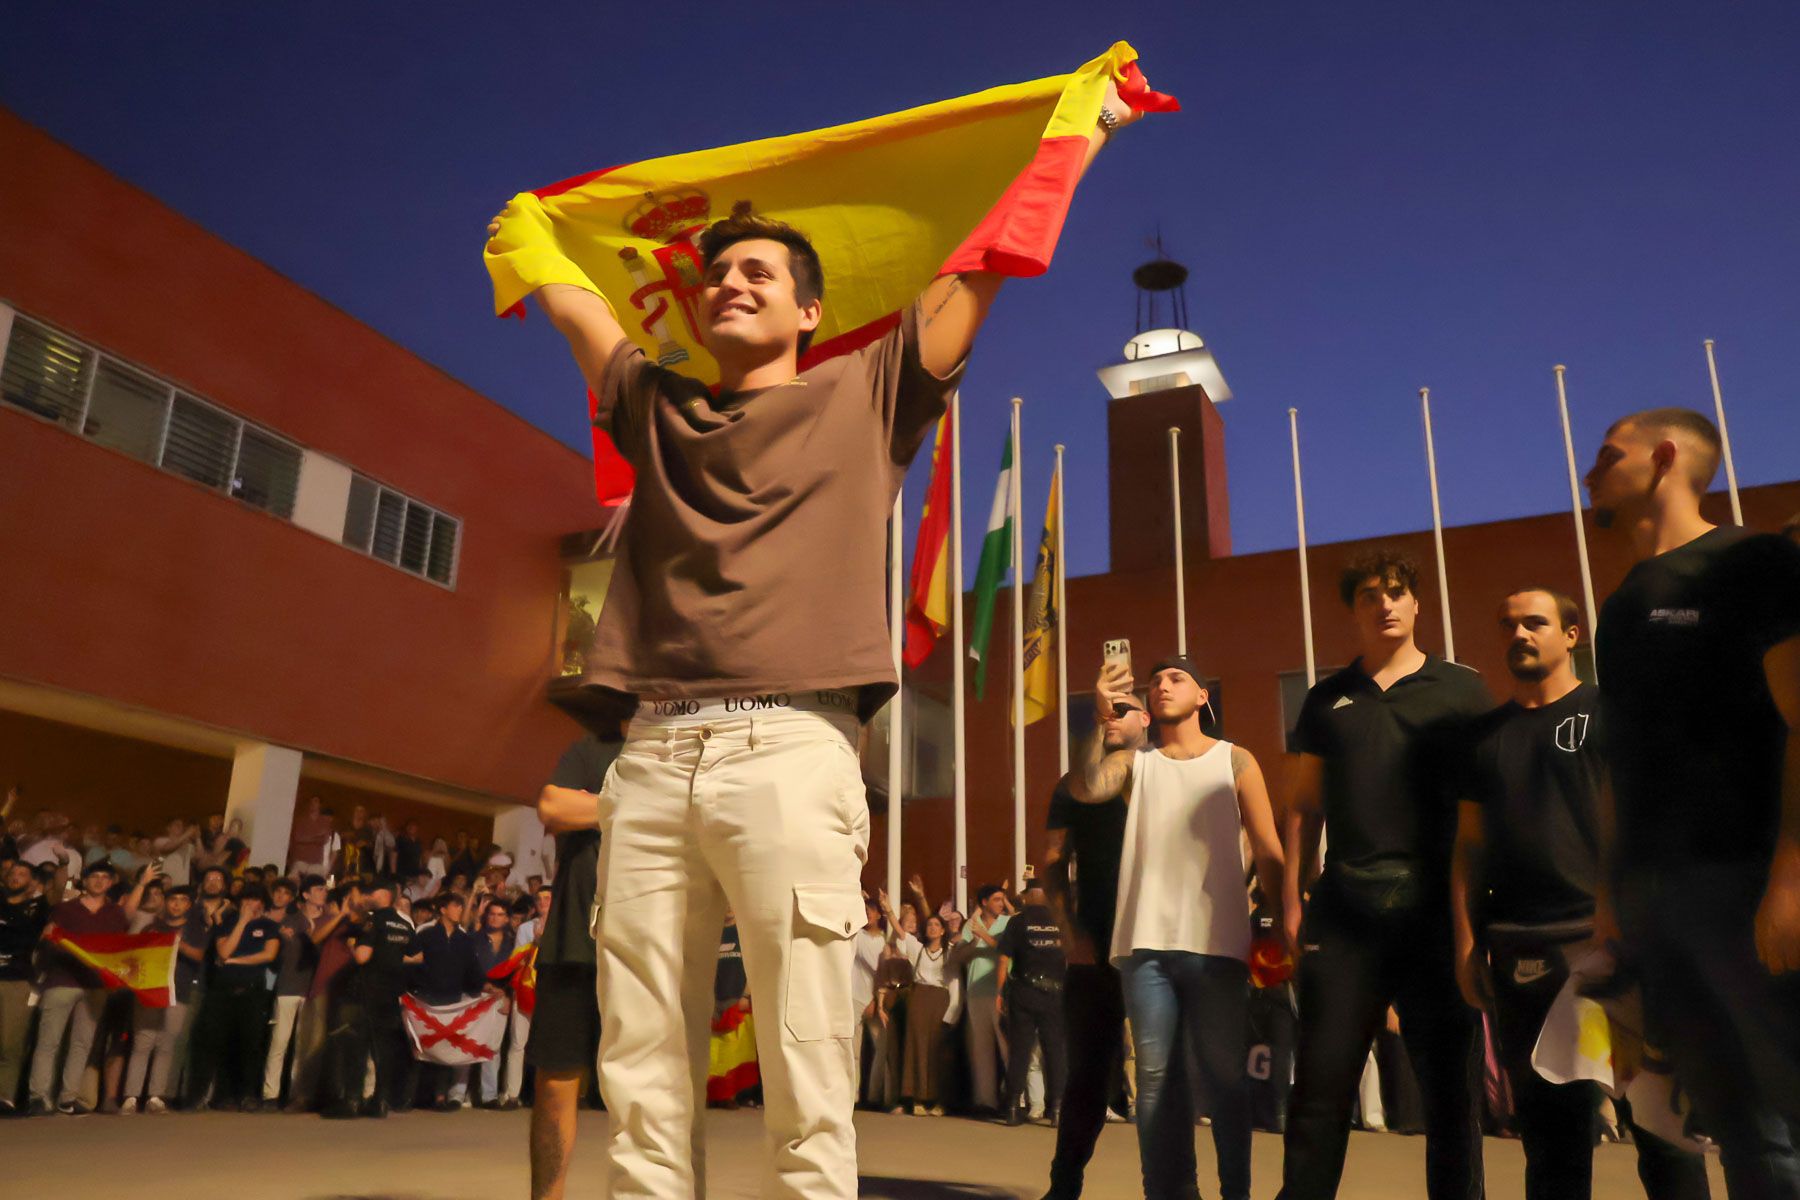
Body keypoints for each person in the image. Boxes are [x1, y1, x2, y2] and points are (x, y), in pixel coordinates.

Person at [487, 67, 1155, 1194]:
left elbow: (988, 262)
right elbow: (573, 306)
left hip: (790, 751)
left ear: (811, 311)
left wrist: (1077, 134)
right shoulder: (656, 404)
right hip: (649, 759)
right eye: (717, 274)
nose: (730, 283)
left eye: (760, 272)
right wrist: (528, 236)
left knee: (805, 1058)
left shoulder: (872, 388)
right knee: (640, 1070)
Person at [1584, 407, 1800, 1193]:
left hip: (1746, 885)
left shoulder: (1754, 562)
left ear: (1666, 457)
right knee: (1736, 1123)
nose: (1590, 473)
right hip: (1655, 900)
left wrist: (1790, 877)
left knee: (1786, 1112)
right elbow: (1620, 761)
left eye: (1609, 455)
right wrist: (1609, 898)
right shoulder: (1621, 604)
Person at [1451, 587, 1711, 1200]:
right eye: (1508, 624)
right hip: (1525, 952)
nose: (1519, 634)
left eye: (1534, 623)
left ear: (1571, 636)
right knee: (1552, 1148)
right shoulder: (1483, 737)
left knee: (1662, 1138)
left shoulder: (1612, 712)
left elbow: (1658, 821)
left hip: (1621, 947)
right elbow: (1468, 848)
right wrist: (1464, 944)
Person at [1278, 549, 1493, 1200]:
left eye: (1396, 592)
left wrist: (1479, 916)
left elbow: (1484, 809)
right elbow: (1304, 805)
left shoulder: (1463, 691)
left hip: (1435, 911)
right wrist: (1291, 899)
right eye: (1369, 595)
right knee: (1320, 1088)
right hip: (1345, 910)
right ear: (1354, 611)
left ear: (1417, 604)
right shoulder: (1326, 699)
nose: (1385, 604)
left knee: (1450, 1096)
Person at [1076, 654, 1286, 1200]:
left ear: (1203, 696)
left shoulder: (1235, 760)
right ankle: (1169, 1192)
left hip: (1217, 944)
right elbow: (1088, 786)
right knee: (1154, 1082)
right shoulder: (1136, 763)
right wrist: (1100, 718)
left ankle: (1236, 1192)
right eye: (1156, 682)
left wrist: (1285, 921)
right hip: (1145, 945)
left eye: (1177, 679)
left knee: (1224, 1077)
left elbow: (1268, 848)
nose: (1163, 686)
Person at [1040, 693, 1149, 1199]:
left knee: (1166, 1072)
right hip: (1096, 944)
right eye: (1105, 710)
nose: (1111, 715)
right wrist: (1070, 933)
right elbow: (1052, 861)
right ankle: (1064, 1186)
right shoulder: (1074, 785)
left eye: (1124, 709)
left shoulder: (1167, 774)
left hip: (1158, 943)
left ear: (1146, 718)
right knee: (1087, 1073)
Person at [532, 729, 625, 1200]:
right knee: (556, 1083)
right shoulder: (593, 750)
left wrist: (595, 806)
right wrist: (642, 807)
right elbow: (553, 805)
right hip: (572, 940)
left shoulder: (682, 750)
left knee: (647, 1092)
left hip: (646, 945)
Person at [27, 859, 149, 1114]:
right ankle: (38, 1096)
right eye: (95, 876)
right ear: (84, 880)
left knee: (82, 1043)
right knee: (49, 1041)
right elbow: (48, 936)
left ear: (111, 883)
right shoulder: (65, 909)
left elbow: (127, 921)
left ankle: (67, 1097)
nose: (99, 881)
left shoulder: (114, 913)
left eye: (105, 877)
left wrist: (141, 884)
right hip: (62, 980)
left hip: (95, 985)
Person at [324, 878, 420, 1118]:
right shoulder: (403, 924)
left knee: (357, 1047)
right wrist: (391, 957)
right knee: (384, 1050)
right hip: (392, 993)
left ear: (383, 894)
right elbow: (417, 955)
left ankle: (352, 1101)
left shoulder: (373, 922)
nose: (367, 897)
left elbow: (362, 957)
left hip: (367, 991)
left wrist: (353, 946)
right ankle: (380, 1101)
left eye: (371, 893)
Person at [185, 883, 282, 1111]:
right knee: (218, 1041)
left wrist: (237, 961)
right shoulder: (228, 923)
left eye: (255, 899)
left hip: (253, 989)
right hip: (223, 989)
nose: (250, 904)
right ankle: (221, 1095)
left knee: (250, 1043)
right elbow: (224, 951)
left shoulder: (269, 926)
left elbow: (268, 954)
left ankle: (248, 1094)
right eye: (246, 899)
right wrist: (242, 922)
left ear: (262, 903)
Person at [121, 883, 202, 1113]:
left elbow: (199, 955)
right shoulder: (152, 927)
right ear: (166, 903)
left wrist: (178, 942)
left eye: (182, 900)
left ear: (189, 905)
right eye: (173, 900)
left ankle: (155, 1096)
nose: (177, 904)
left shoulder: (195, 930)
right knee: (143, 1041)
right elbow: (136, 956)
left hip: (178, 991)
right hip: (150, 990)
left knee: (166, 1044)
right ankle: (131, 1096)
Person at [996, 882, 1068, 1127]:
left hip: (1024, 991)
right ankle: (1057, 1109)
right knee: (1055, 1052)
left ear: (1027, 897)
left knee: (1020, 1051)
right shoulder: (1061, 921)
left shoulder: (1017, 922)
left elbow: (1003, 959)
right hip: (1054, 993)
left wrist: (999, 993)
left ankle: (1013, 1108)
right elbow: (1069, 957)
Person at [958, 883, 1016, 1114]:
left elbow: (1006, 950)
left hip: (999, 993)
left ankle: (1015, 1100)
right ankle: (986, 1101)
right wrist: (973, 942)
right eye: (996, 899)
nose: (1001, 904)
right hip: (975, 992)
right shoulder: (971, 924)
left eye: (1002, 899)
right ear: (984, 902)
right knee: (981, 1049)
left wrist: (983, 935)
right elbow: (960, 955)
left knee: (1006, 1047)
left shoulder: (1008, 923)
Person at [261, 876, 318, 1105]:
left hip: (310, 988)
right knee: (279, 1043)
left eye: (286, 893)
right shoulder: (284, 921)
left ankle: (296, 1093)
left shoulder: (319, 920)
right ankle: (270, 1094)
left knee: (302, 1046)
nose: (280, 896)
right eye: (278, 891)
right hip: (286, 986)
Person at [1, 857, 50, 1113]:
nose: (15, 876)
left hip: (18, 980)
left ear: (31, 882)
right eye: (12, 872)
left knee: (10, 1042)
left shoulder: (37, 909)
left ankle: (5, 1096)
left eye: (21, 873)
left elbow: (57, 889)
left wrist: (63, 862)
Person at [901, 911, 958, 1117]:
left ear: (943, 930)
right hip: (919, 999)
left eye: (937, 925)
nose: (932, 928)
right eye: (929, 925)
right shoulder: (918, 949)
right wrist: (888, 910)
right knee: (917, 1047)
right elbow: (901, 934)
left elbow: (954, 984)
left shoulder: (949, 952)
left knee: (937, 1051)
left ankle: (938, 1100)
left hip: (940, 1000)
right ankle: (917, 1098)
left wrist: (952, 1013)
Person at [471, 896, 519, 1107]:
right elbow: (466, 968)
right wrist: (483, 985)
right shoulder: (474, 939)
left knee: (493, 1047)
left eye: (500, 915)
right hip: (474, 994)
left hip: (500, 996)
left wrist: (508, 996)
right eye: (491, 914)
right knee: (467, 1044)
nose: (495, 918)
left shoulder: (513, 943)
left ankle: (489, 1095)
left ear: (507, 918)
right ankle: (457, 1094)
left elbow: (516, 973)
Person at [289, 797, 334, 876]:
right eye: (311, 802)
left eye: (315, 802)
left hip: (316, 861)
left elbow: (324, 839)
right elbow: (298, 838)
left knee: (313, 881)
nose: (313, 804)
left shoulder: (324, 822)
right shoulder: (301, 820)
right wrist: (316, 837)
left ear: (320, 805)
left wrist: (307, 837)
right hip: (300, 859)